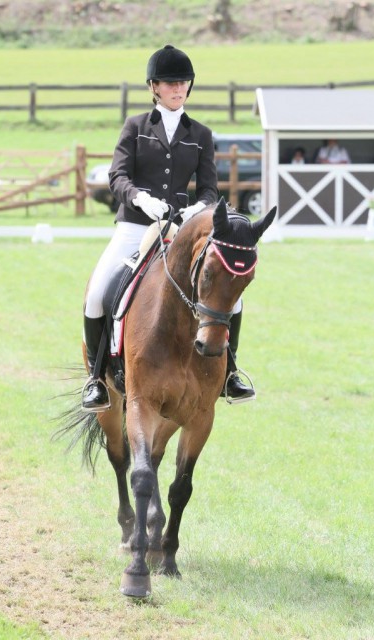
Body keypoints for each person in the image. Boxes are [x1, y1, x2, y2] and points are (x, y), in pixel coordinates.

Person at [82, 44, 255, 412]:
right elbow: (117, 176)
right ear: (154, 87)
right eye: (170, 83)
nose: (178, 88)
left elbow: (210, 188)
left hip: (181, 230)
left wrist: (199, 207)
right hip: (135, 226)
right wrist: (140, 199)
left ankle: (231, 373)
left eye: (184, 83)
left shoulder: (201, 134)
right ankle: (97, 378)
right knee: (98, 293)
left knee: (234, 298)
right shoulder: (136, 127)